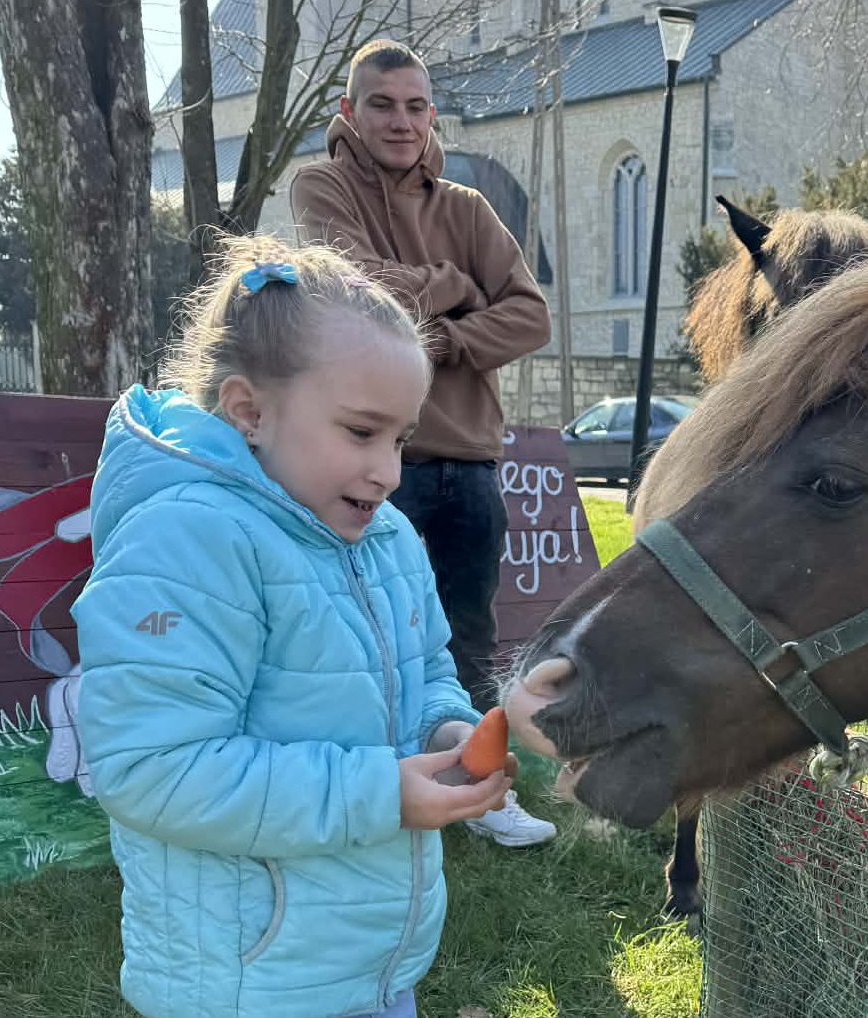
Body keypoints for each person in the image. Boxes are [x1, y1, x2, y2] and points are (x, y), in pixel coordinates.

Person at [73, 237, 516, 1018]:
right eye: (361, 431)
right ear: (249, 411)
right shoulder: (187, 541)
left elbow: (425, 671)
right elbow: (153, 770)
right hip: (245, 984)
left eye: (401, 438)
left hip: (365, 966)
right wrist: (379, 794)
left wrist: (446, 732)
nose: (388, 470)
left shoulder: (384, 539)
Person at [290, 38, 556, 846]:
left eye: (415, 106)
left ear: (431, 114)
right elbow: (350, 294)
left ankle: (480, 792)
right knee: (363, 632)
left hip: (470, 460)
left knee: (466, 634)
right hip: (374, 459)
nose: (400, 121)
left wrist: (431, 341)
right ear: (349, 112)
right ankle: (376, 788)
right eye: (381, 104)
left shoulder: (469, 208)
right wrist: (451, 284)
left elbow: (530, 315)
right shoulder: (320, 184)